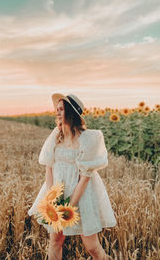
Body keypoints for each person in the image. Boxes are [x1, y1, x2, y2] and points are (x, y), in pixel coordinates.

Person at [28, 93, 117, 260]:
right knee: (55, 241)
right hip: (57, 192)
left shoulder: (87, 139)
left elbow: (85, 178)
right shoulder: (56, 136)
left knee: (92, 247)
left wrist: (68, 208)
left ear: (71, 112)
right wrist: (52, 198)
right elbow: (49, 169)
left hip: (81, 195)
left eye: (62, 109)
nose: (58, 112)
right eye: (57, 109)